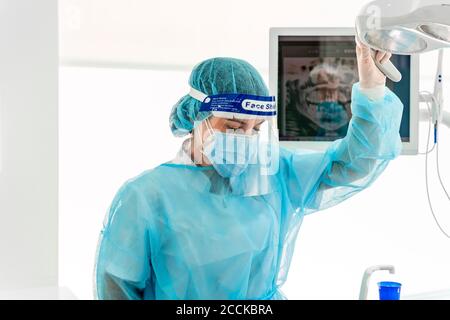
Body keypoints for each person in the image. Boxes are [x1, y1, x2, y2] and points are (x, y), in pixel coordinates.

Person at [93, 41, 404, 300]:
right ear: (196, 117)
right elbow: (115, 288)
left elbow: (357, 160)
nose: (245, 140)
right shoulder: (146, 197)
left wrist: (373, 89)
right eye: (233, 126)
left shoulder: (273, 175)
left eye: (255, 130)